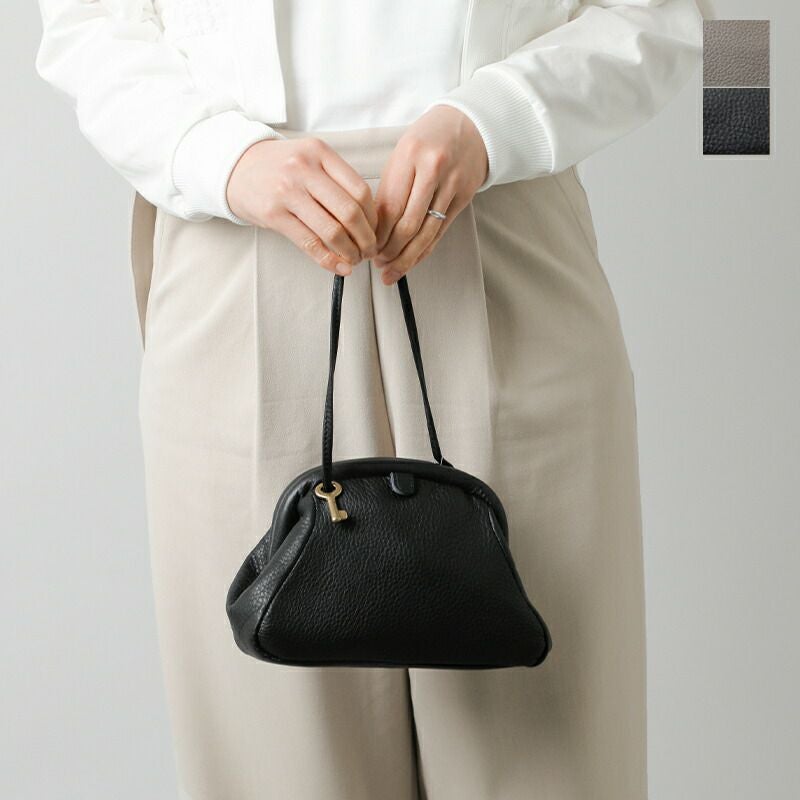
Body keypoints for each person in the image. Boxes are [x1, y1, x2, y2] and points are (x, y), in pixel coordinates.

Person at [35, 1, 704, 798]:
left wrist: (501, 118)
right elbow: (84, 23)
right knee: (277, 763)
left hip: (499, 219)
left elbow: (703, 19)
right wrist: (212, 152)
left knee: (547, 761)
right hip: (239, 236)